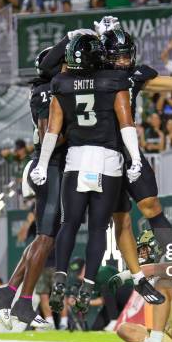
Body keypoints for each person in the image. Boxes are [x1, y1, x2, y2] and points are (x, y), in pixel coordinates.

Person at [38, 21, 172, 310]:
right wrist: (93, 36)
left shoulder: (131, 75)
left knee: (151, 205)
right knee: (121, 219)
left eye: (126, 56)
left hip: (126, 153)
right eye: (116, 56)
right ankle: (138, 277)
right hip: (104, 154)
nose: (123, 62)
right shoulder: (93, 73)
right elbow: (54, 66)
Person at [30, 32, 145, 315]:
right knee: (97, 228)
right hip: (107, 161)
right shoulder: (113, 81)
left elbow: (53, 130)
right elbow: (127, 124)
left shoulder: (61, 84)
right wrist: (136, 159)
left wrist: (42, 165)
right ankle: (89, 283)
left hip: (76, 160)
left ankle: (59, 276)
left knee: (69, 223)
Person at [0, 47, 62, 331]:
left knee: (43, 240)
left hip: (47, 165)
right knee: (45, 238)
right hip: (49, 165)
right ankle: (23, 301)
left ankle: (8, 293)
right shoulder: (47, 90)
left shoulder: (48, 87)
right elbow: (49, 134)